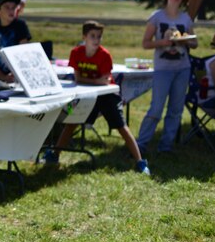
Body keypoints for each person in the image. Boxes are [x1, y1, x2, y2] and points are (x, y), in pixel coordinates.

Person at [43, 21, 150, 174]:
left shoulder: (105, 55)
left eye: (99, 36)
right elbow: (78, 79)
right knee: (71, 122)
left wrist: (92, 82)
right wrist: (94, 81)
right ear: (84, 37)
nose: (96, 39)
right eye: (92, 36)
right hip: (85, 94)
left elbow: (105, 82)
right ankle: (55, 155)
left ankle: (140, 162)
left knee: (121, 126)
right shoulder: (76, 52)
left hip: (107, 96)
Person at [136, 0, 198, 154]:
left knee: (176, 110)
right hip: (163, 69)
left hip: (182, 68)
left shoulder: (186, 18)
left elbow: (195, 44)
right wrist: (163, 42)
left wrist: (186, 41)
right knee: (156, 108)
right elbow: (145, 43)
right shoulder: (157, 17)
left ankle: (166, 146)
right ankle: (141, 144)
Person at [0, 0, 31, 83]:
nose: (11, 10)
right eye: (7, 7)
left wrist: (15, 75)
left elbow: (24, 53)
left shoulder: (20, 25)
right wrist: (2, 76)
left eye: (13, 7)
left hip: (16, 77)